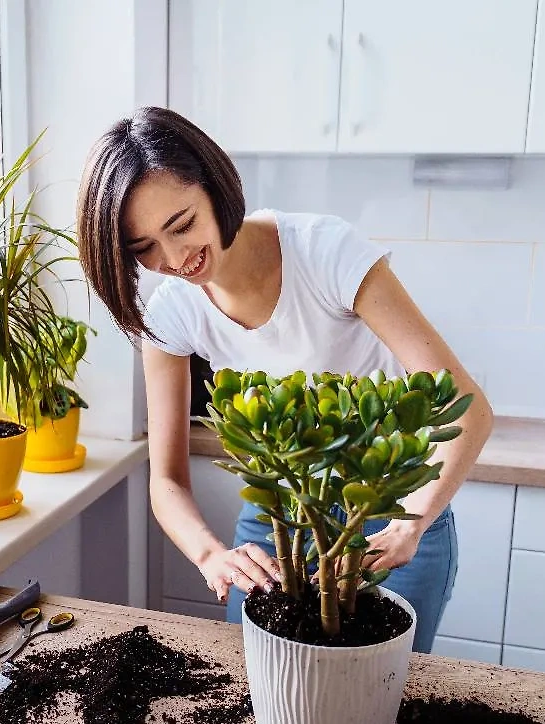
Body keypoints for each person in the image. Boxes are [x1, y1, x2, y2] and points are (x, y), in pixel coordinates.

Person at [75, 106, 493, 653]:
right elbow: (167, 479)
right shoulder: (171, 312)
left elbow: (468, 409)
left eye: (181, 225)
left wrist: (411, 524)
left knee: (385, 702)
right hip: (276, 517)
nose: (175, 258)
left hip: (390, 514)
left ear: (216, 185)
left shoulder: (325, 252)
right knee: (259, 700)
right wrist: (209, 554)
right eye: (143, 248)